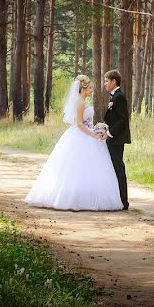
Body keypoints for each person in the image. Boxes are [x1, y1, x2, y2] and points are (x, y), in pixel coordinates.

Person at [24, 74, 123, 211]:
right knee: (76, 167)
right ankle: (71, 198)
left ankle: (85, 196)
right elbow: (79, 124)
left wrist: (96, 128)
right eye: (90, 88)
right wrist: (93, 135)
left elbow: (86, 123)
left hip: (87, 133)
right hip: (80, 135)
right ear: (83, 89)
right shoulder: (80, 102)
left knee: (88, 168)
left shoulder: (83, 101)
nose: (92, 90)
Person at [102, 69, 131, 210]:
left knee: (118, 169)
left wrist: (110, 133)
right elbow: (114, 119)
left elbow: (123, 119)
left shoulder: (119, 97)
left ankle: (123, 202)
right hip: (113, 138)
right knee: (114, 168)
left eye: (106, 81)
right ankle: (118, 200)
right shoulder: (114, 96)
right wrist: (104, 127)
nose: (104, 84)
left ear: (114, 81)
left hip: (117, 139)